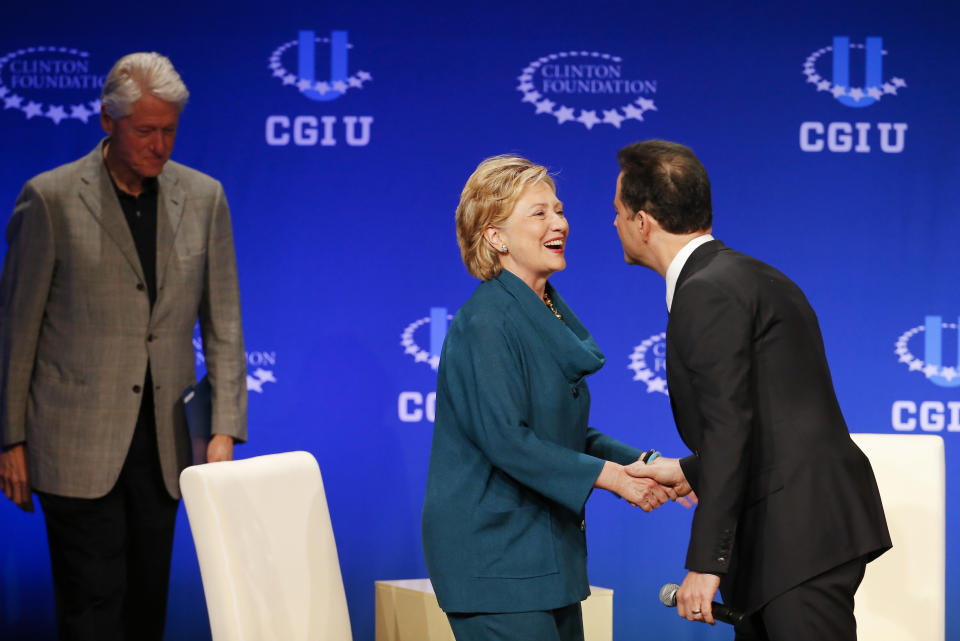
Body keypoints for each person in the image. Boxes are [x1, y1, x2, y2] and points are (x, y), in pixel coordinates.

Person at [0, 52, 247, 641]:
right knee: (91, 612)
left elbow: (226, 323)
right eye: (145, 131)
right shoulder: (51, 199)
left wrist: (224, 427)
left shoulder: (204, 197)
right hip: (74, 444)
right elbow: (16, 329)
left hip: (165, 448)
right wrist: (10, 437)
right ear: (107, 121)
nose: (158, 145)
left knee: (145, 610)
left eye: (169, 131)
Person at [613, 139, 891, 640]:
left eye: (617, 211)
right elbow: (769, 416)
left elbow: (729, 426)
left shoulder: (706, 291)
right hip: (799, 535)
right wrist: (690, 471)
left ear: (642, 221)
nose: (613, 224)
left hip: (796, 541)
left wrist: (704, 564)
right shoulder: (753, 274)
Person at [422, 155, 686, 641]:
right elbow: (508, 440)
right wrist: (614, 479)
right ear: (495, 237)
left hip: (545, 554)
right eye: (538, 213)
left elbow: (562, 433)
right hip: (497, 561)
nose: (559, 223)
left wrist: (644, 463)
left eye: (559, 210)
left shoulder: (545, 310)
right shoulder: (486, 322)